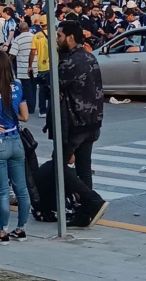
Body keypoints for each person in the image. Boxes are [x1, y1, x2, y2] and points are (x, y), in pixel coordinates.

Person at [55, 20, 105, 194]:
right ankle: (87, 208)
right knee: (84, 167)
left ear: (69, 38)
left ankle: (90, 202)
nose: (56, 39)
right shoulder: (90, 56)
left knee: (58, 166)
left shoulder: (70, 62)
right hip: (92, 123)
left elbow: (54, 87)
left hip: (76, 125)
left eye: (59, 36)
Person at [0, 51, 30, 245]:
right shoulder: (18, 85)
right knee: (22, 189)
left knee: (2, 191)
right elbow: (25, 116)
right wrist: (13, 120)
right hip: (16, 140)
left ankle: (2, 231)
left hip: (1, 142)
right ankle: (21, 229)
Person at [34, 157, 109, 227]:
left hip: (47, 209)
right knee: (79, 163)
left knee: (61, 162)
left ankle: (90, 203)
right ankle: (88, 207)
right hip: (49, 209)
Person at [9, 22, 38, 114]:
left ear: (20, 30)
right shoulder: (34, 37)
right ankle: (32, 106)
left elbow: (12, 54)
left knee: (26, 89)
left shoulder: (18, 39)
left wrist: (7, 63)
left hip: (23, 68)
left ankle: (29, 108)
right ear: (28, 28)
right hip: (35, 67)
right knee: (33, 88)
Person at [29, 15, 50, 119]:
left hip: (41, 66)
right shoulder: (54, 34)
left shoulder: (36, 36)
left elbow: (33, 52)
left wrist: (30, 65)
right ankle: (52, 108)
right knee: (52, 88)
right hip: (53, 66)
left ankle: (42, 110)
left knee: (42, 89)